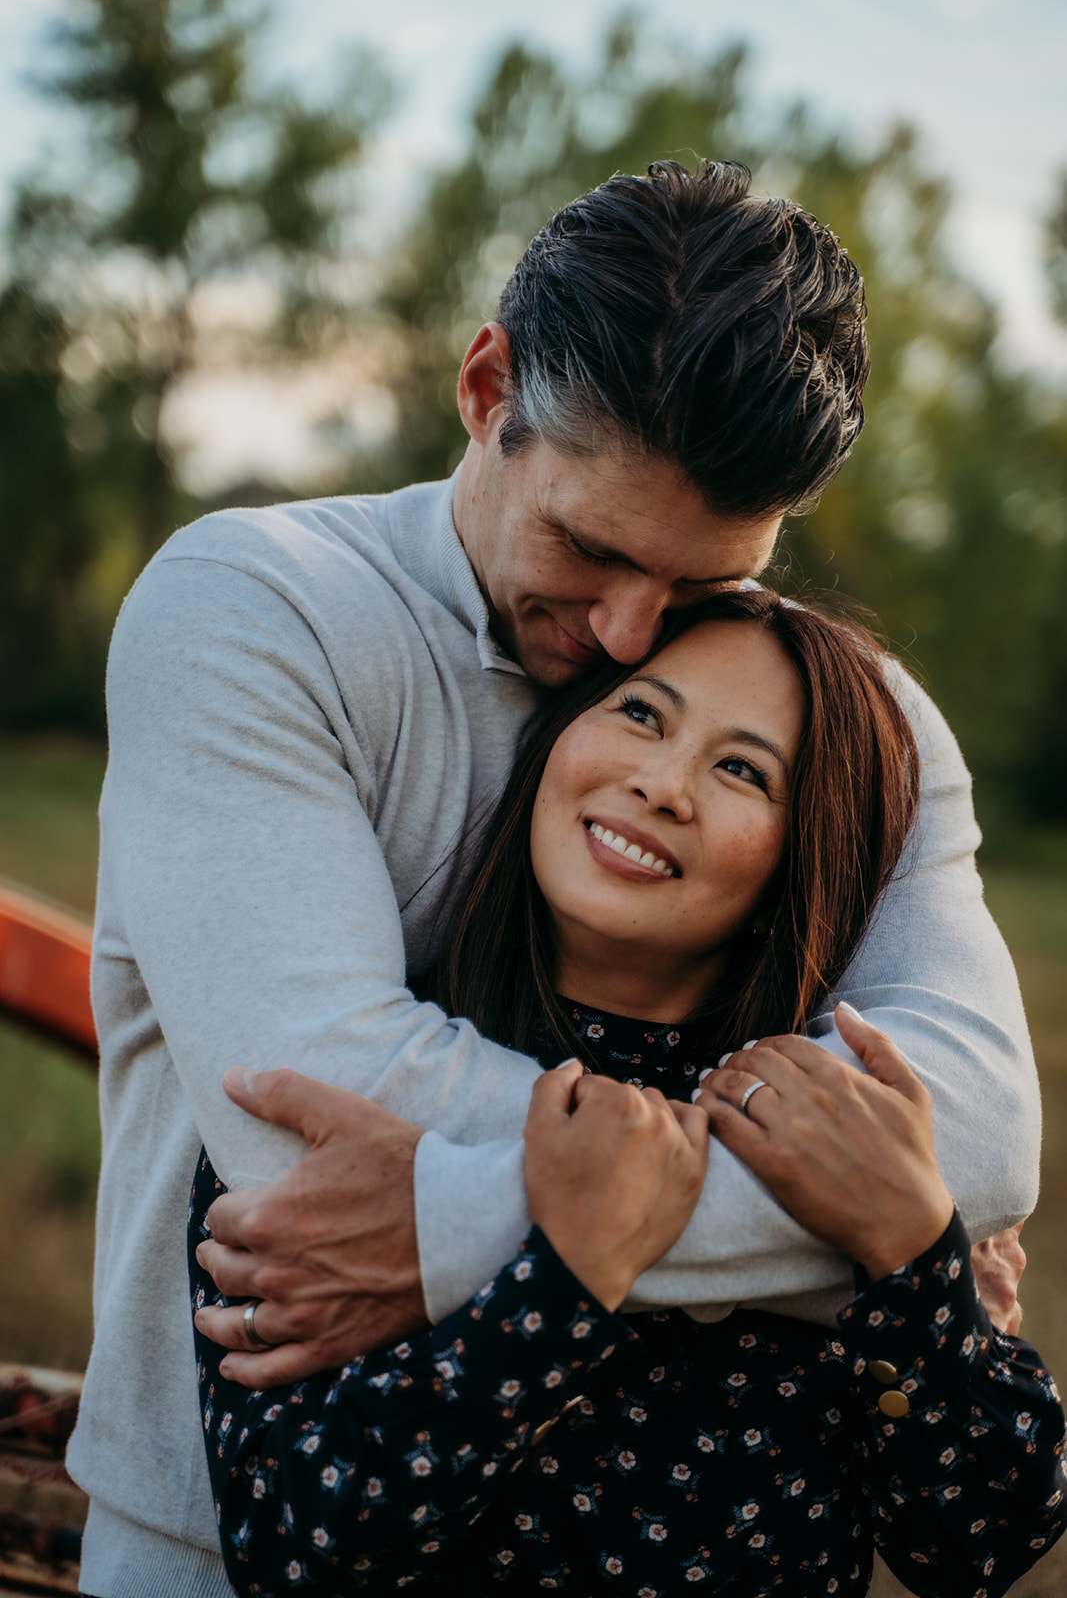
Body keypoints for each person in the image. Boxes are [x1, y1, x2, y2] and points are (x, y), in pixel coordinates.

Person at [68, 161, 1040, 1598]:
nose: (627, 630)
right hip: (241, 1536)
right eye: (588, 547)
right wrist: (870, 1249)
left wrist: (463, 1225)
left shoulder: (847, 718)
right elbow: (307, 1115)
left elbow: (973, 1131)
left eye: (704, 581)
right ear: (482, 386)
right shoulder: (256, 610)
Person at [188, 592, 1066, 1596]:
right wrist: (558, 1281)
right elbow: (290, 1548)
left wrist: (916, 1265)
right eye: (641, 715)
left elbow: (979, 1548)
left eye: (741, 769)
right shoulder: (359, 1083)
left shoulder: (826, 1129)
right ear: (555, 741)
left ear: (804, 857)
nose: (659, 783)